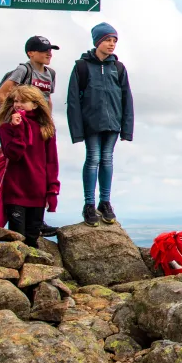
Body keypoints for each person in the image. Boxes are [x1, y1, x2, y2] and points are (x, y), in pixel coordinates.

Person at [67, 23, 134, 226]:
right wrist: (77, 130)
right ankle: (89, 204)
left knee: (107, 159)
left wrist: (127, 128)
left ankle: (105, 202)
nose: (111, 44)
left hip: (113, 122)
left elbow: (126, 99)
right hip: (91, 123)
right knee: (93, 158)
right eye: (107, 40)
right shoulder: (82, 66)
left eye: (114, 40)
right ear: (97, 42)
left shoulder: (118, 68)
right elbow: (73, 101)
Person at [0, 85, 60, 247]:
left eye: (23, 101)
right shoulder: (6, 128)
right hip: (15, 191)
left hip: (37, 192)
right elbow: (14, 154)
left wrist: (52, 190)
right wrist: (18, 129)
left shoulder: (46, 130)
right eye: (16, 101)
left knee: (32, 239)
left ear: (35, 104)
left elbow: (52, 162)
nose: (18, 104)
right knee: (18, 241)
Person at [0, 35, 59, 118]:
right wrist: (17, 115)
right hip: (22, 121)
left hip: (39, 121)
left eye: (50, 50)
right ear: (30, 53)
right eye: (43, 51)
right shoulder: (23, 70)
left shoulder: (51, 73)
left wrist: (48, 122)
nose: (49, 54)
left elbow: (48, 100)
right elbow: (0, 95)